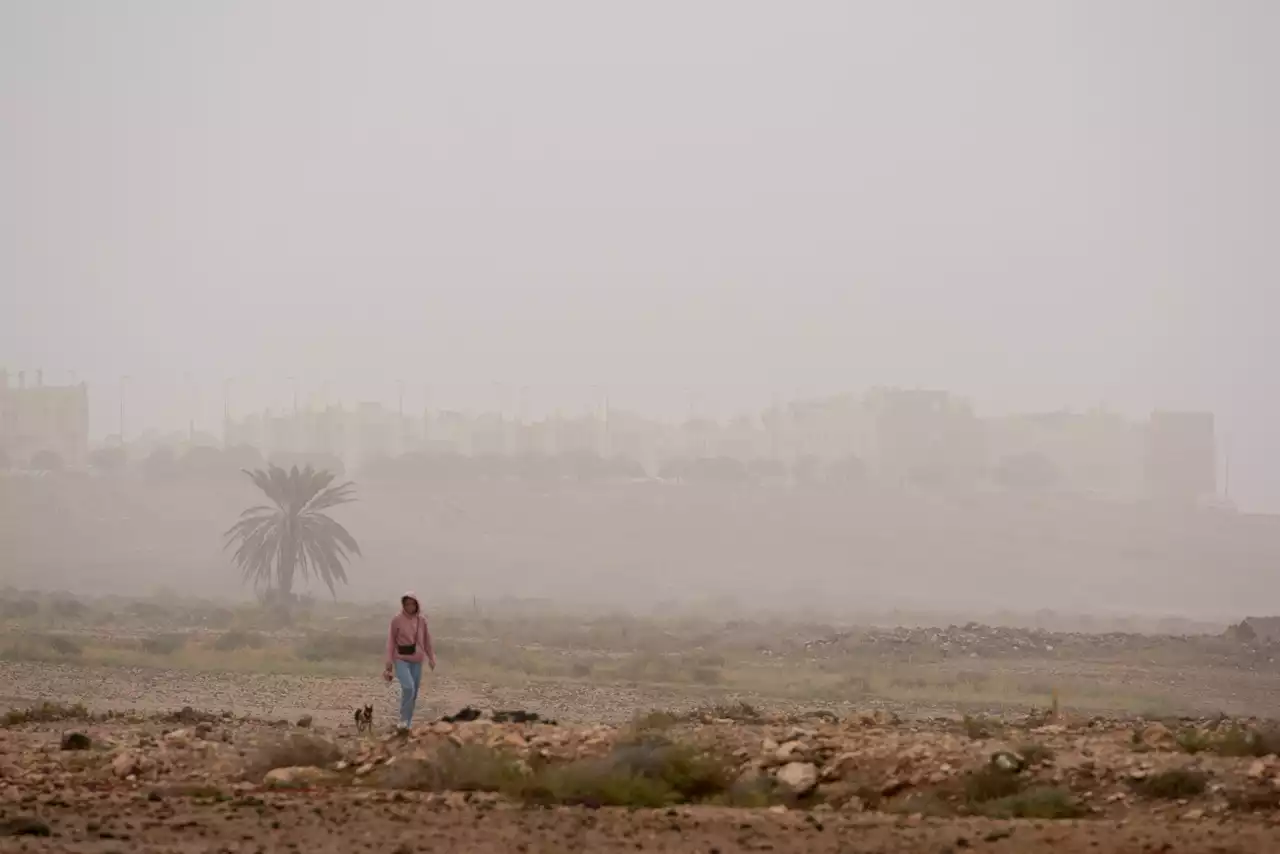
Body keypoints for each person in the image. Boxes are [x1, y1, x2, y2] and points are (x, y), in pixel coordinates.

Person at [383, 591, 436, 732]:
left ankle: (408, 723)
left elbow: (427, 641)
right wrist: (388, 662)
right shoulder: (397, 620)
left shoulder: (422, 620)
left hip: (417, 660)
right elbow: (390, 641)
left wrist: (431, 657)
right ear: (403, 605)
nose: (410, 607)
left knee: (414, 692)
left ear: (417, 605)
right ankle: (403, 719)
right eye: (407, 604)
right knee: (408, 687)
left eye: (412, 604)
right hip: (401, 659)